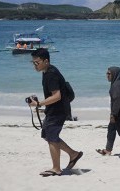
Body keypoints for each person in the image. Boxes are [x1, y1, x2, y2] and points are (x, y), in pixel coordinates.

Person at [28, 48, 83, 176]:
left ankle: (56, 168)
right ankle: (73, 154)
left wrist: (39, 103)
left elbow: (57, 96)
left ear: (45, 61)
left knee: (51, 137)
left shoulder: (51, 74)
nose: (35, 65)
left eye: (37, 63)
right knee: (48, 135)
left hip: (58, 110)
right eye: (33, 63)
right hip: (56, 109)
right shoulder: (47, 71)